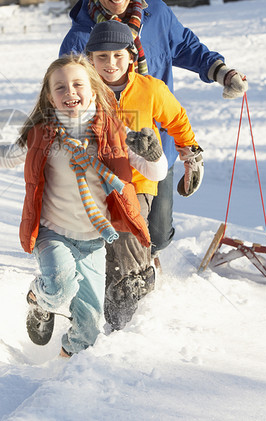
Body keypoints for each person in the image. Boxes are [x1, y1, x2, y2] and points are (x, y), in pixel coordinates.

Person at [0, 54, 167, 357]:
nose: (70, 92)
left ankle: (65, 376)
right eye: (60, 87)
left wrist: (154, 154)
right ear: (50, 96)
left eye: (78, 84)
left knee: (88, 329)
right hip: (53, 233)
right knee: (60, 286)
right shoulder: (41, 134)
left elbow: (156, 174)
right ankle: (40, 299)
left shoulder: (117, 131)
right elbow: (6, 156)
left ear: (93, 88)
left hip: (93, 241)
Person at [60, 0, 249, 257]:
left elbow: (188, 48)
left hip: (156, 146)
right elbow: (66, 96)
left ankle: (148, 256)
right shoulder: (80, 39)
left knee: (157, 235)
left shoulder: (157, 14)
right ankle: (121, 279)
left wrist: (222, 72)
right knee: (112, 229)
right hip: (106, 151)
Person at [84, 19, 202, 330]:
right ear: (90, 59)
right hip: (97, 180)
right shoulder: (85, 92)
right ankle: (110, 315)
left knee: (126, 224)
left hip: (139, 179)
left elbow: (177, 119)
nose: (111, 64)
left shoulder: (151, 90)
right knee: (106, 247)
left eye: (118, 56)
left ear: (131, 57)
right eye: (102, 57)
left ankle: (136, 288)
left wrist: (191, 152)